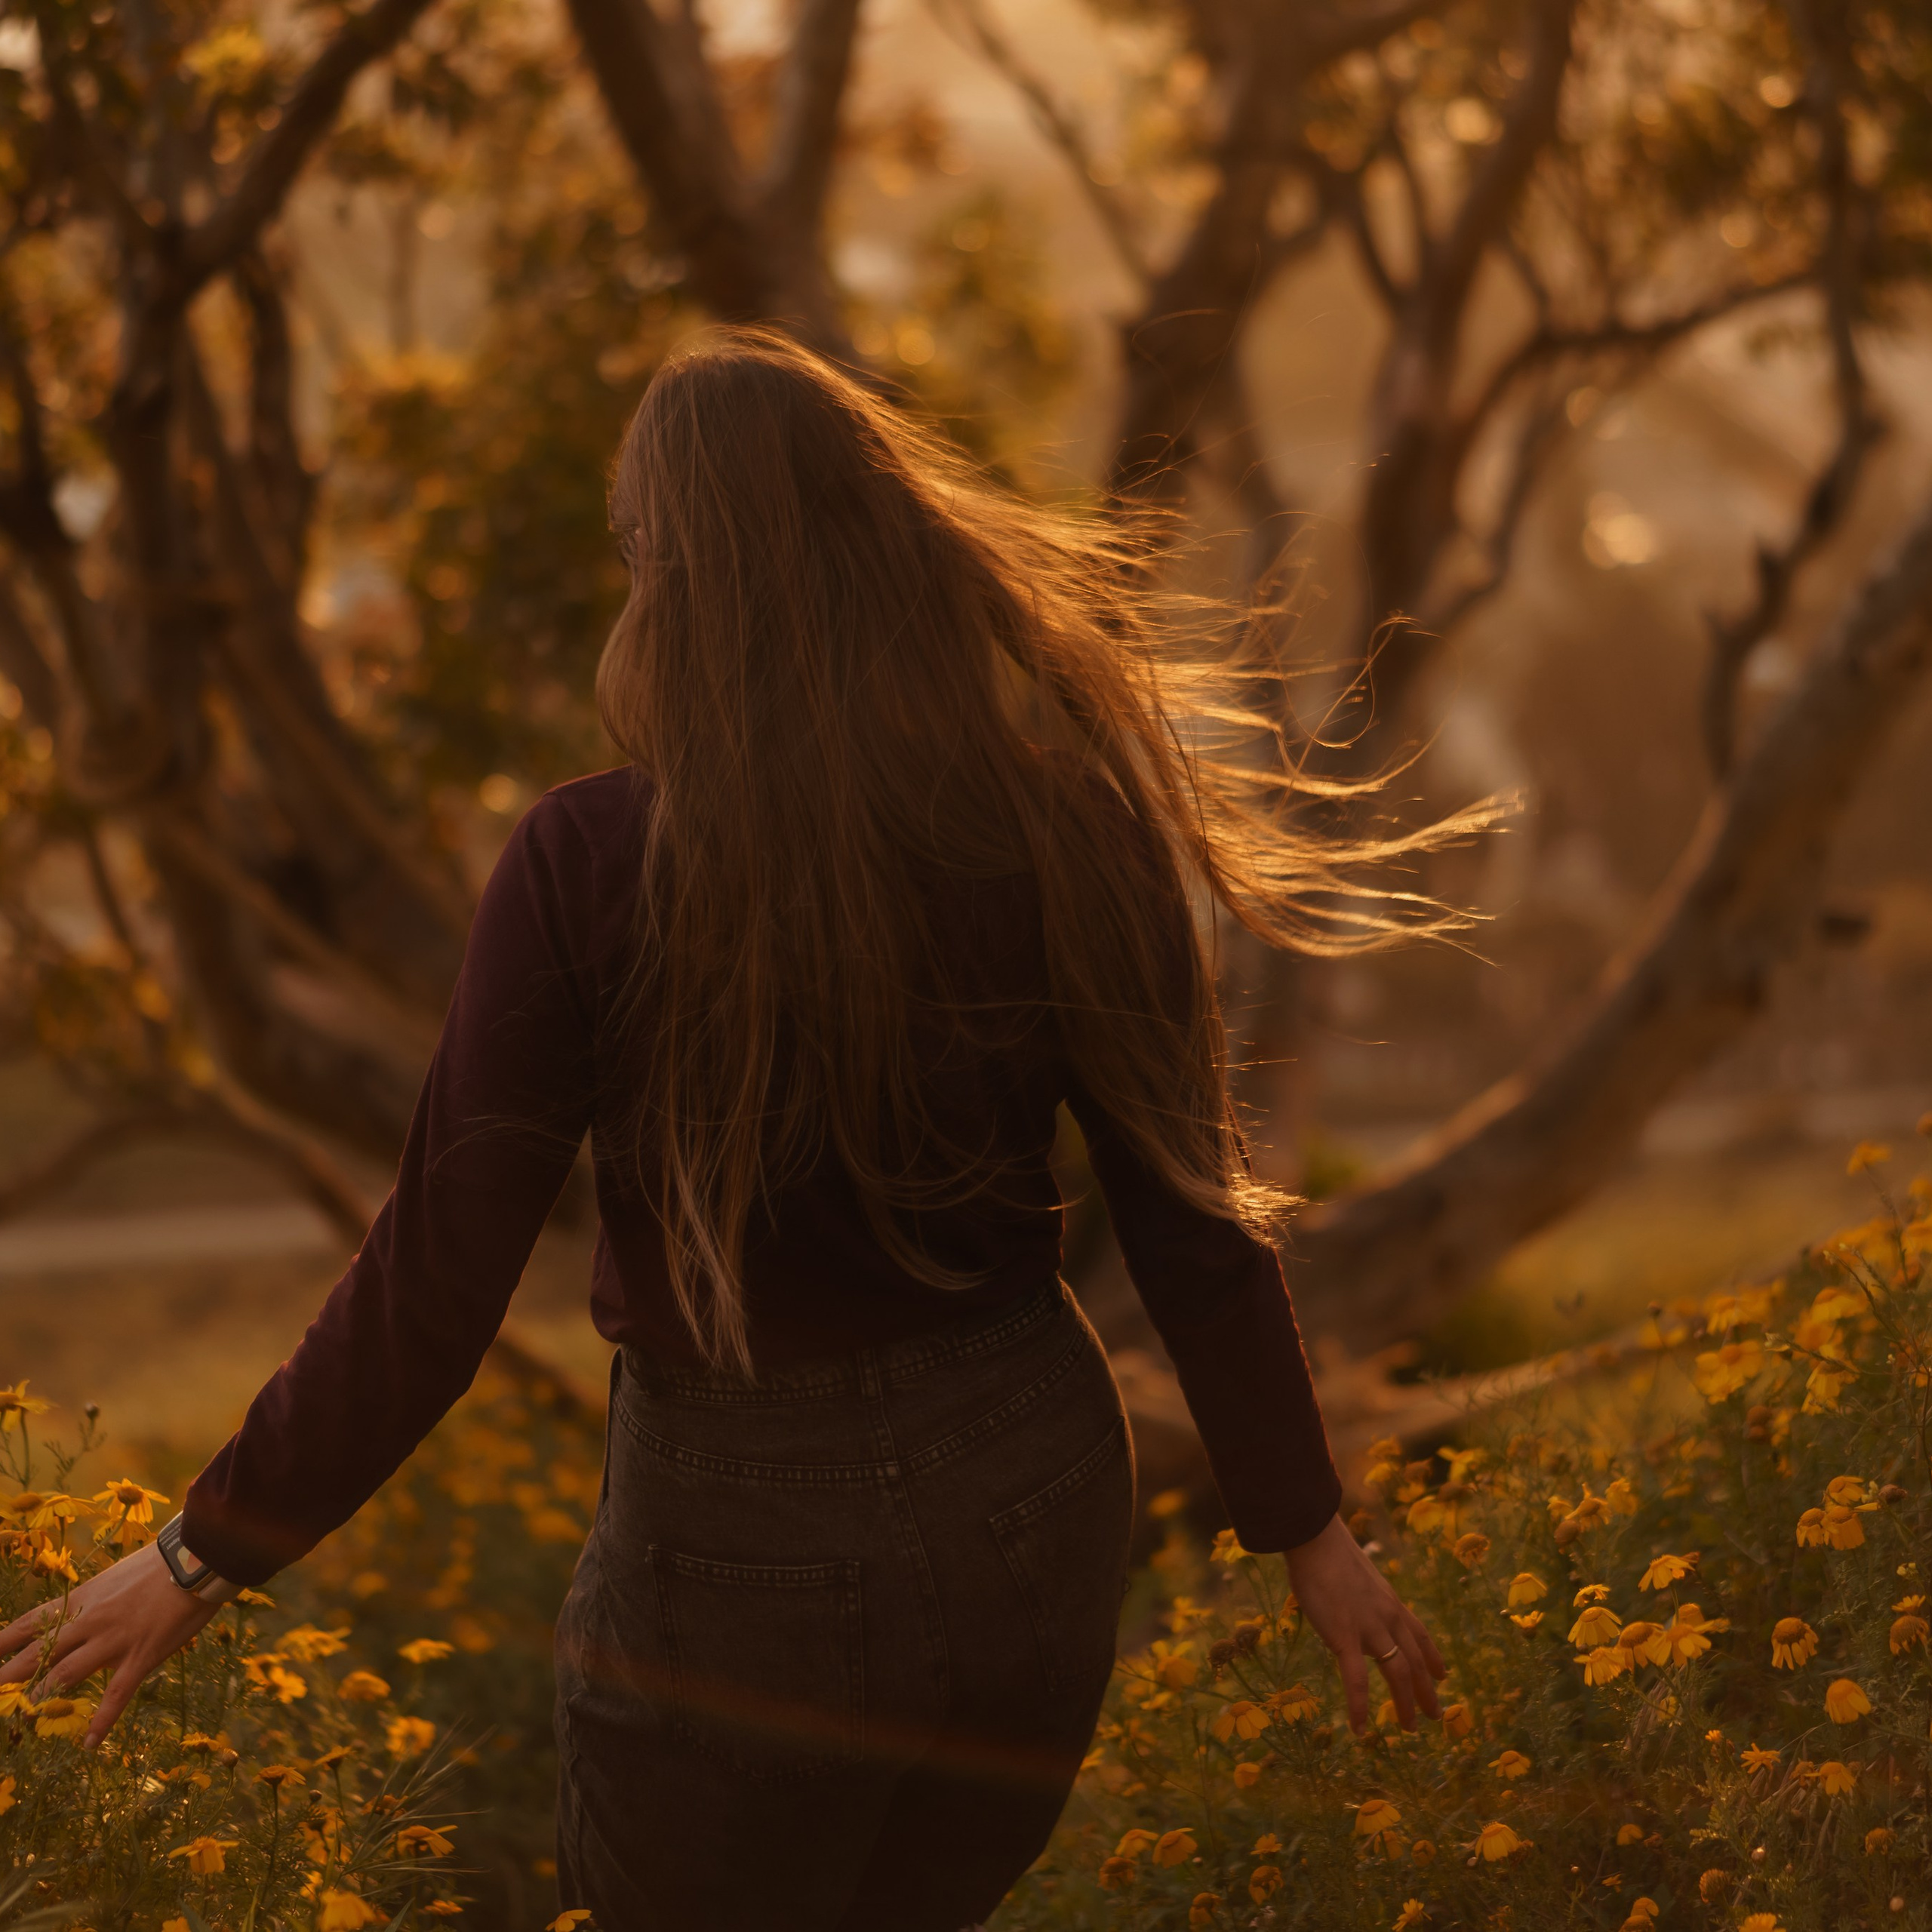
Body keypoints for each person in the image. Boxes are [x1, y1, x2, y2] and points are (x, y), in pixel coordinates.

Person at [0, 328, 1445, 1930]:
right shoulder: (1069, 823)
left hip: (733, 1550)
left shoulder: (583, 863)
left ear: (668, 575)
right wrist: (1309, 1526)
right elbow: (1190, 1210)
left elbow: (438, 1275)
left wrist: (199, 1555)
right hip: (1027, 1503)